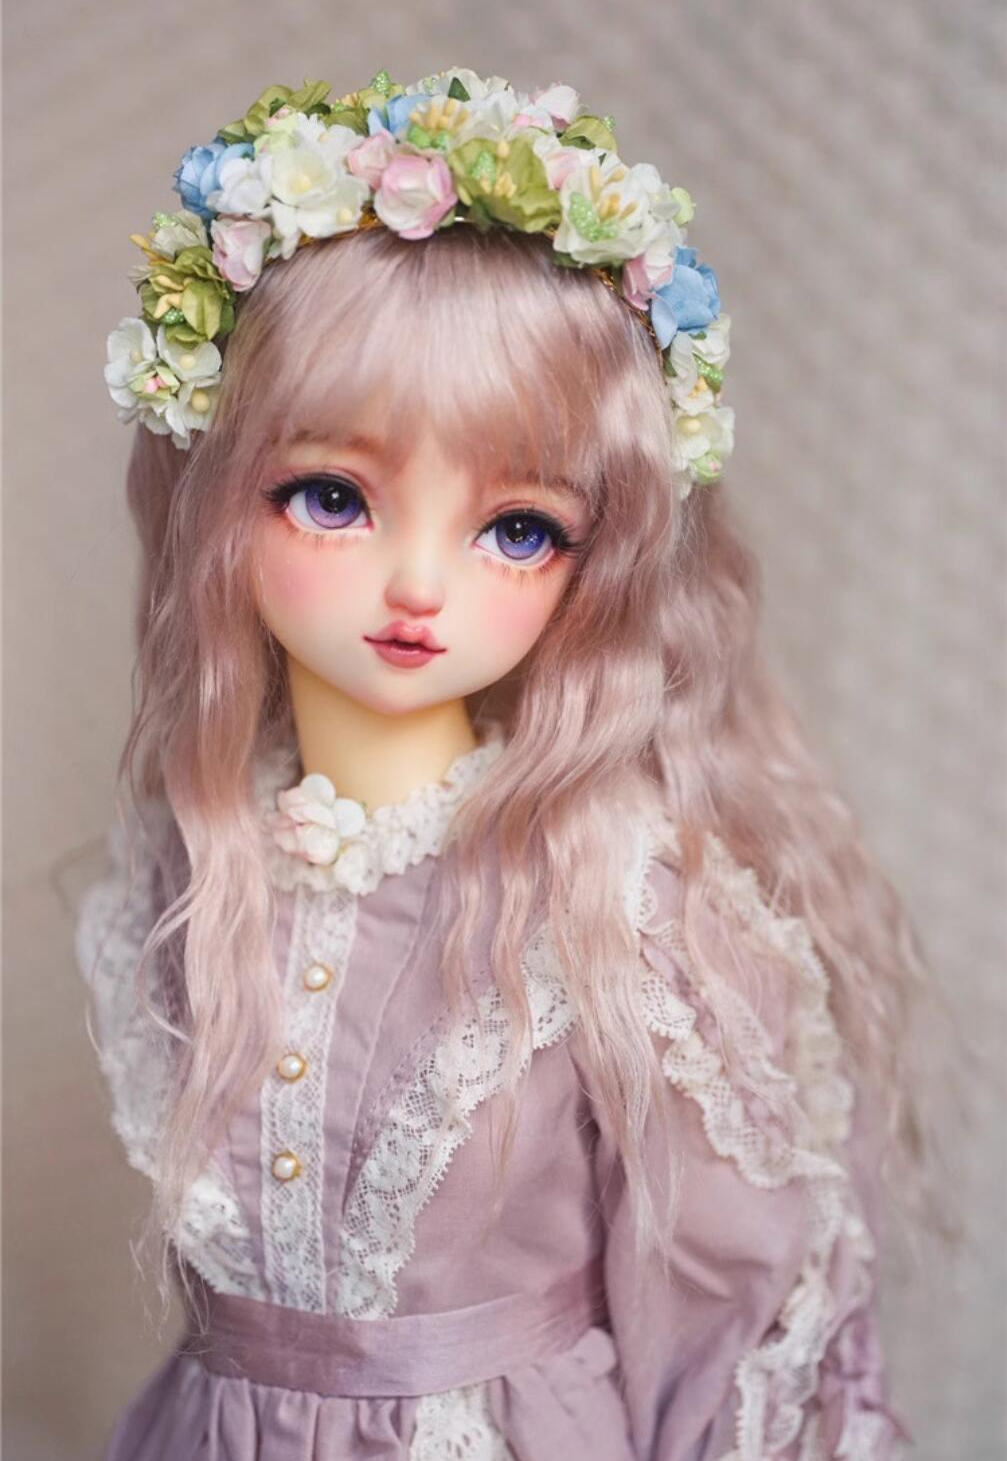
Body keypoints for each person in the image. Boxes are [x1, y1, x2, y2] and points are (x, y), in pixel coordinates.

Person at [76, 64, 950, 1459]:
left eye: (517, 528)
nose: (418, 585)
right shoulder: (190, 854)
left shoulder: (613, 900)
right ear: (213, 489)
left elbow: (728, 1307)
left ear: (603, 557)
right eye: (332, 496)